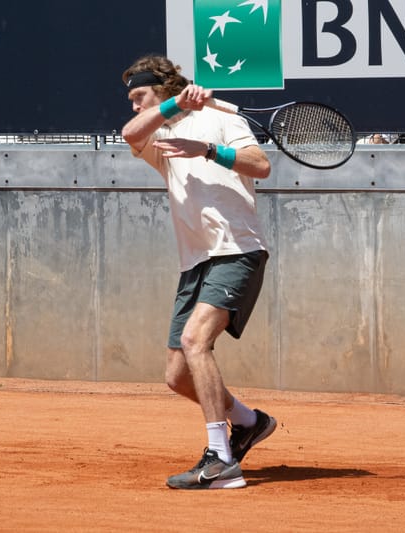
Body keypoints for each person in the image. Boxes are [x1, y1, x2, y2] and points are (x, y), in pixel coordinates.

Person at [121, 55, 277, 490]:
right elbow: (130, 132)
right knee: (177, 376)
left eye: (141, 97)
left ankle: (220, 460)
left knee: (195, 341)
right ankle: (248, 421)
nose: (135, 107)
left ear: (164, 88)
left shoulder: (221, 119)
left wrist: (208, 149)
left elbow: (260, 165)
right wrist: (175, 108)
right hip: (195, 262)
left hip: (237, 249)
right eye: (132, 99)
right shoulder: (158, 134)